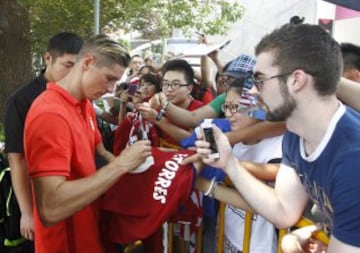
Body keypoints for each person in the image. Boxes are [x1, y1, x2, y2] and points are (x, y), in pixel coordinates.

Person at [194, 24, 360, 252]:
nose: (252, 94)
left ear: (296, 80)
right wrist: (229, 164)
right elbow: (284, 209)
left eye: (260, 80)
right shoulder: (295, 134)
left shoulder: (352, 160)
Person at [23, 34, 152, 253]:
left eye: (116, 81)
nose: (112, 89)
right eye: (109, 78)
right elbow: (50, 209)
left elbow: (100, 151)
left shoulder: (84, 104)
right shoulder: (50, 115)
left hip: (90, 235)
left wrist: (130, 166)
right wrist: (121, 165)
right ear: (87, 63)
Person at [3, 32, 83, 246]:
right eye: (67, 65)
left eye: (77, 67)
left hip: (75, 195)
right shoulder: (22, 100)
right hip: (40, 198)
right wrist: (27, 212)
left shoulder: (78, 96)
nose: (72, 73)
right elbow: (17, 158)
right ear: (48, 58)